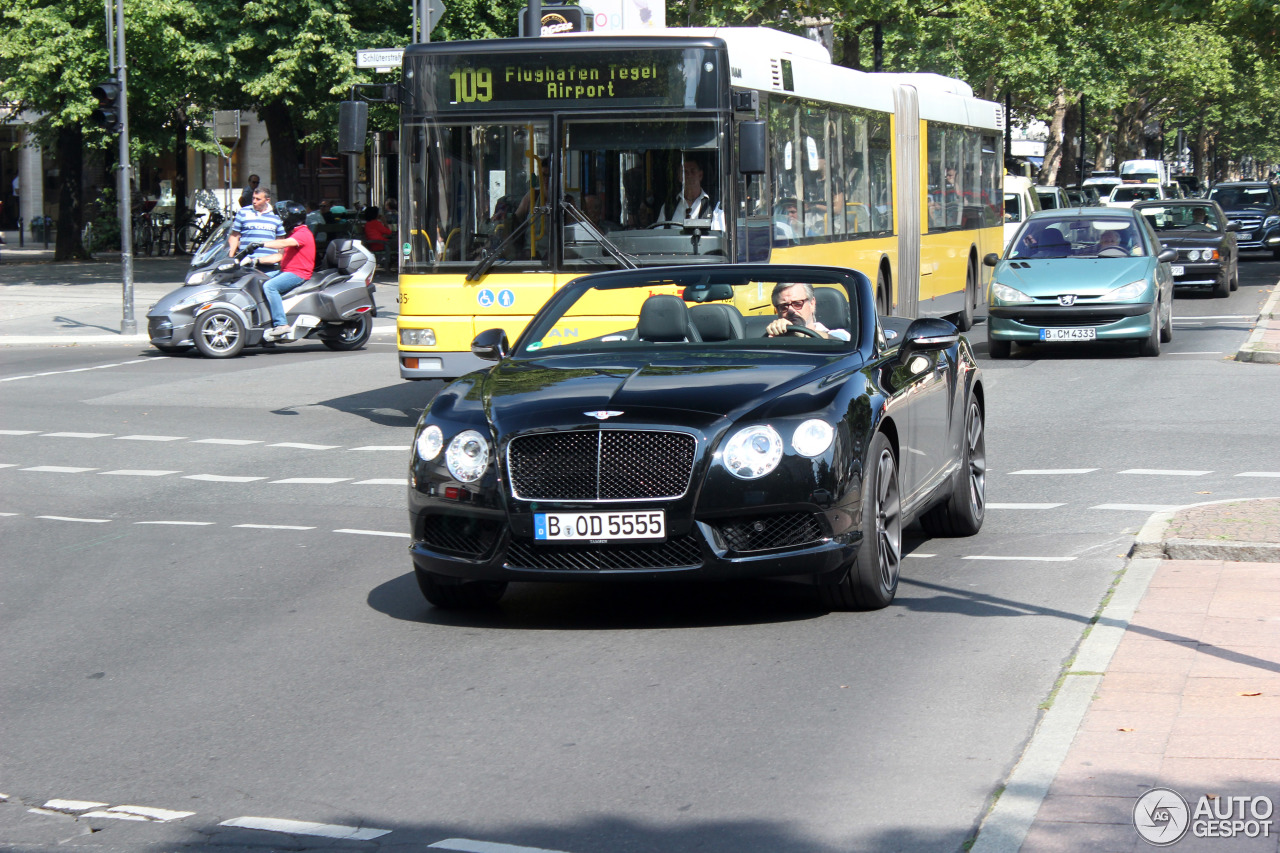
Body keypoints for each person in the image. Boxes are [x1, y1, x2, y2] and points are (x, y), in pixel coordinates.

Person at [253, 201, 316, 340]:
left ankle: (282, 324)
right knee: (258, 278)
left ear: (291, 218)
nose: (280, 220)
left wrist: (261, 243)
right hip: (287, 270)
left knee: (270, 286)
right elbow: (279, 256)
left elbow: (283, 243)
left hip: (298, 273)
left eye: (283, 217)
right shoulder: (293, 233)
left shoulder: (302, 233)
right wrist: (256, 261)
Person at [765, 282, 850, 340]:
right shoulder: (772, 337)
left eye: (797, 304)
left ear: (812, 304)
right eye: (783, 306)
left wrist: (799, 332)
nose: (791, 310)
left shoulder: (836, 334)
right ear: (776, 310)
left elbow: (840, 342)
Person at [227, 186, 284, 262]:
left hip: (269, 263)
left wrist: (280, 258)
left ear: (267, 200)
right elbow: (234, 236)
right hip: (246, 262)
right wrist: (230, 258)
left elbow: (280, 240)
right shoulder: (243, 212)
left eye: (258, 199)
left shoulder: (276, 215)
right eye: (253, 198)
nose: (254, 201)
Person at [662, 157, 713, 221]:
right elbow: (658, 230)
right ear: (679, 177)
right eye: (685, 172)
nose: (689, 176)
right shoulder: (668, 207)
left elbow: (717, 230)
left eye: (692, 171)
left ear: (700, 175)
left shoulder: (713, 205)